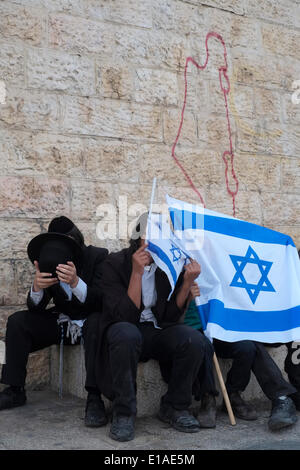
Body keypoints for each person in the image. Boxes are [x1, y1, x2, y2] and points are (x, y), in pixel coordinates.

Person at [95, 213, 215, 442]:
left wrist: (187, 283)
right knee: (127, 334)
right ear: (138, 239)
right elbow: (123, 316)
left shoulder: (166, 266)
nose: (156, 244)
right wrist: (137, 273)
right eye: (151, 237)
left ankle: (175, 406)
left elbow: (170, 316)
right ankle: (124, 413)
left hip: (155, 330)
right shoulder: (115, 263)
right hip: (123, 328)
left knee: (193, 340)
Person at [0, 216, 108, 428]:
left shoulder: (98, 257)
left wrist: (76, 282)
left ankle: (95, 399)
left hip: (91, 323)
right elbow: (36, 308)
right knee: (17, 321)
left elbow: (102, 300)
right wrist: (37, 288)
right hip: (64, 324)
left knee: (96, 323)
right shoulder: (50, 262)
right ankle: (15, 390)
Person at [182, 282, 218, 428]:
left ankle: (235, 395)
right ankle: (208, 398)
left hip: (216, 323)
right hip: (186, 327)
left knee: (247, 347)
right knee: (202, 344)